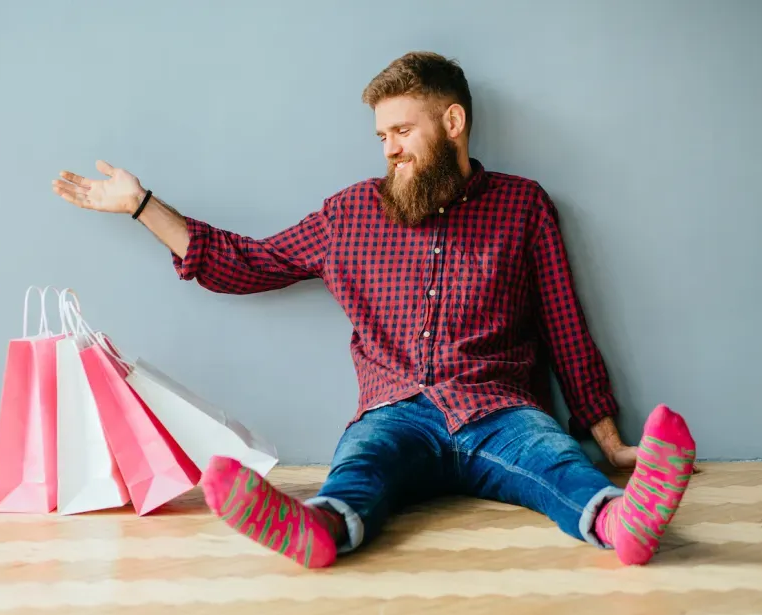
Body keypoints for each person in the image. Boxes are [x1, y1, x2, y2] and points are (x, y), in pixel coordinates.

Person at [52, 51, 696, 569]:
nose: (388, 148)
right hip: (394, 414)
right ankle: (318, 527)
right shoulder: (348, 213)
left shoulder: (523, 206)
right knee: (358, 472)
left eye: (402, 130)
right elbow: (243, 263)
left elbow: (565, 324)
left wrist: (609, 442)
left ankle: (622, 521)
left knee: (557, 464)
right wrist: (142, 207)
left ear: (451, 123)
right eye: (381, 135)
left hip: (498, 409)